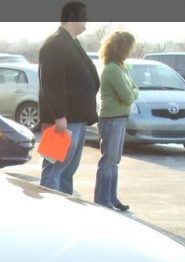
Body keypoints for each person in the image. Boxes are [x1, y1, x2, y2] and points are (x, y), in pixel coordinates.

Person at [38, 1, 100, 195]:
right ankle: (50, 214)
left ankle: (65, 211)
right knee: (54, 168)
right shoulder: (55, 44)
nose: (87, 20)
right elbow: (51, 83)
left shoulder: (72, 42)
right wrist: (59, 116)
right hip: (63, 122)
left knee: (68, 170)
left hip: (76, 120)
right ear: (73, 17)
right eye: (84, 15)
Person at [94, 31, 139, 211]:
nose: (130, 50)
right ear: (121, 48)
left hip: (120, 119)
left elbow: (134, 88)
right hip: (111, 120)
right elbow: (129, 96)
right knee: (108, 162)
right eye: (128, 47)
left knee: (114, 161)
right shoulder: (112, 69)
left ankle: (111, 197)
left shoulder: (122, 67)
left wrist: (133, 93)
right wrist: (133, 93)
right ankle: (102, 200)